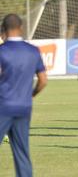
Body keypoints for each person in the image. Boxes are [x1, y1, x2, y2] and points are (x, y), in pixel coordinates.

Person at [0, 14, 47, 177]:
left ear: (3, 30)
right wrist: (32, 95)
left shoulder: (2, 51)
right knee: (22, 154)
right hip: (24, 108)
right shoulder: (33, 51)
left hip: (3, 107)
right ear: (21, 28)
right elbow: (43, 80)